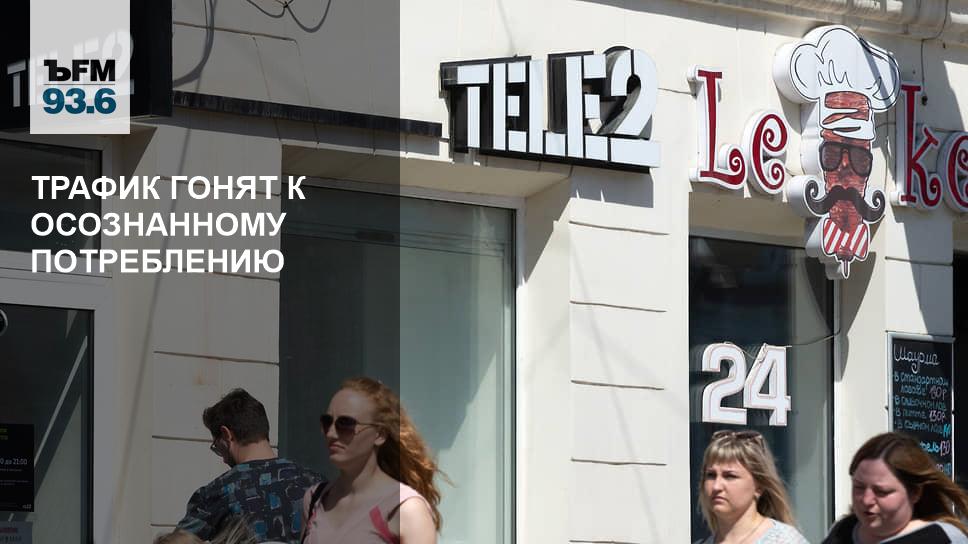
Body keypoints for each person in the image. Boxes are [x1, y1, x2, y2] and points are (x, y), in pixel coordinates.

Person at [301, 377, 441, 544]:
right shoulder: (315, 499)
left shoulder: (406, 508)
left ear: (380, 434)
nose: (331, 434)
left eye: (345, 424)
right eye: (327, 422)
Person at [176, 389, 321, 544]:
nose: (223, 459)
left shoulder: (216, 493)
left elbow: (175, 542)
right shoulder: (316, 485)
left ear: (226, 434)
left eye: (217, 447)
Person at [823, 432, 968, 543]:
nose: (866, 500)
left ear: (915, 493)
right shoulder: (841, 531)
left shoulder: (940, 539)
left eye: (881, 491)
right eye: (859, 487)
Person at [696, 429, 808, 544]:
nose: (716, 486)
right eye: (711, 475)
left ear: (759, 486)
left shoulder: (784, 540)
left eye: (730, 476)